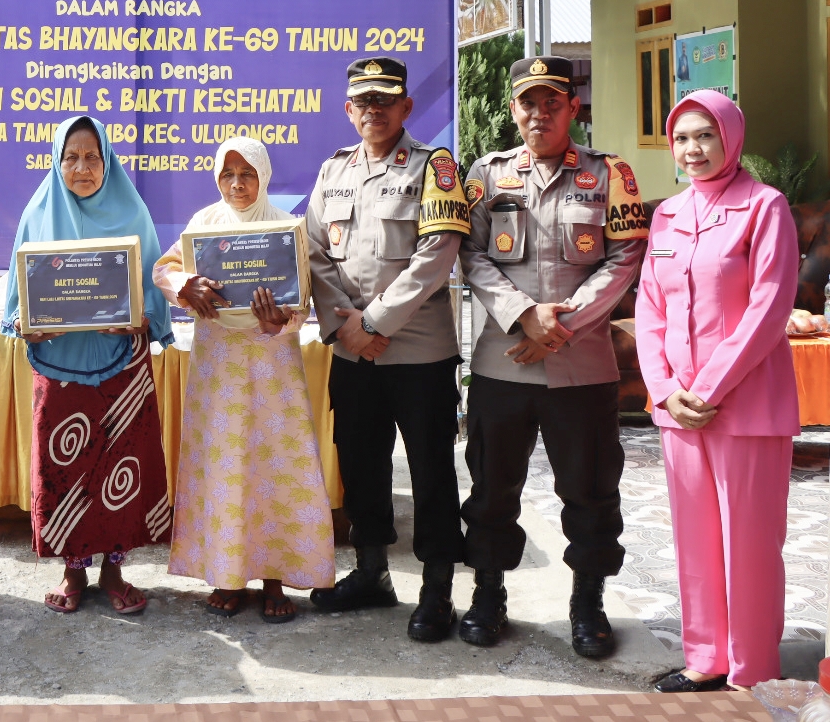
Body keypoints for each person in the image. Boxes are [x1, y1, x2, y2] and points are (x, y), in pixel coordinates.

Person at [459, 55, 649, 655]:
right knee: (492, 488)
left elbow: (626, 259)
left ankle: (587, 604)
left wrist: (562, 325)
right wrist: (524, 315)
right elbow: (468, 256)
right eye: (528, 102)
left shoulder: (609, 174)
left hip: (582, 365)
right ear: (513, 110)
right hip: (502, 363)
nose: (539, 113)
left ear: (573, 107)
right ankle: (489, 595)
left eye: (552, 102)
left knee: (590, 491)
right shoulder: (485, 176)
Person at [302, 57, 471, 641]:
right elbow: (316, 255)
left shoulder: (435, 167)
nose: (374, 110)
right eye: (363, 102)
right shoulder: (332, 174)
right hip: (352, 354)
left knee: (431, 472)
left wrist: (372, 321)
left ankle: (438, 588)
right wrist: (344, 329)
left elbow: (438, 253)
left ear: (407, 107)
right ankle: (371, 571)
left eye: (385, 100)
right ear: (349, 111)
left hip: (419, 354)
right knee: (360, 463)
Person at [638, 91, 799, 692]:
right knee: (696, 542)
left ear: (731, 137)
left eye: (706, 135)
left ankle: (752, 667)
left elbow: (768, 307)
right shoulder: (667, 214)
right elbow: (650, 307)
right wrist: (664, 390)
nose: (693, 149)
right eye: (682, 138)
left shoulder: (766, 207)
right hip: (679, 410)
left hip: (747, 407)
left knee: (751, 544)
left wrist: (703, 390)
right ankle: (705, 657)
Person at [155, 136, 334, 622]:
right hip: (219, 368)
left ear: (264, 176)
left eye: (247, 173)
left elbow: (305, 298)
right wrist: (183, 285)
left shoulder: (287, 227)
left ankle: (276, 577)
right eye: (228, 174)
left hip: (273, 363)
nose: (237, 184)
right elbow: (163, 268)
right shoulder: (204, 225)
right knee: (227, 465)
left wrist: (283, 321)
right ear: (216, 179)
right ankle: (228, 574)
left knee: (275, 464)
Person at [3, 115, 174, 615]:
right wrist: (28, 323)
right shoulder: (37, 213)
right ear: (57, 163)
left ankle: (115, 570)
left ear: (108, 161)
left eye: (92, 157)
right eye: (71, 157)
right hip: (60, 367)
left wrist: (140, 316)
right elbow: (17, 300)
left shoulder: (133, 213)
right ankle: (73, 570)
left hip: (121, 364)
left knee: (120, 464)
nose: (82, 167)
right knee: (65, 464)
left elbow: (155, 284)